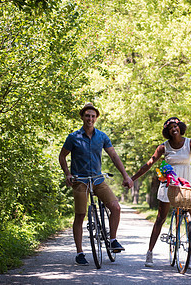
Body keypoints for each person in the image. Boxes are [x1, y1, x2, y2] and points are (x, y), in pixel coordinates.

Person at [59, 102, 134, 266]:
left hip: (98, 179)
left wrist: (126, 176)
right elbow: (62, 156)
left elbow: (114, 156)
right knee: (80, 215)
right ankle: (80, 252)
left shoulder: (102, 136)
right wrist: (68, 174)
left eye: (93, 116)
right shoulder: (73, 137)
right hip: (80, 181)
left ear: (96, 118)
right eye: (87, 115)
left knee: (115, 207)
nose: (90, 119)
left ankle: (112, 239)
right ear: (82, 117)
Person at [129, 117, 191, 268]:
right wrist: (132, 179)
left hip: (187, 180)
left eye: (176, 126)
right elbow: (148, 164)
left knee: (190, 217)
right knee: (160, 218)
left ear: (180, 128)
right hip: (169, 182)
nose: (174, 129)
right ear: (167, 132)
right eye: (170, 127)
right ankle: (150, 253)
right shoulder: (163, 147)